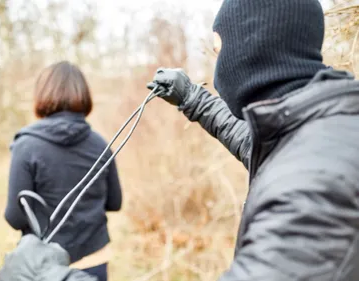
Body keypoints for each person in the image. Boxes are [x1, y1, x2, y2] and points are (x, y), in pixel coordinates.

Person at [148, 0, 359, 279]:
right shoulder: (320, 129)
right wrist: (191, 97)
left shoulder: (313, 182)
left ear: (253, 48)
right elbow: (251, 140)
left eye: (220, 52)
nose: (217, 69)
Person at [4, 60, 122, 281]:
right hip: (92, 262)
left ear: (42, 95)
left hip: (41, 266)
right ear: (84, 95)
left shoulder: (26, 145)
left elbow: (14, 216)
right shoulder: (101, 145)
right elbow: (115, 202)